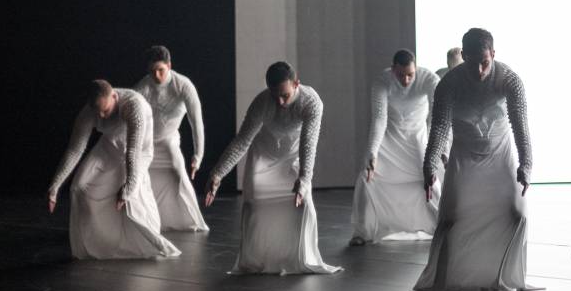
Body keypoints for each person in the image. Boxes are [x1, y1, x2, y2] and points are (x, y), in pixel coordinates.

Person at [413, 28, 533, 291]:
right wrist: (429, 165)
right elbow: (440, 127)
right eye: (472, 62)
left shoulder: (510, 80)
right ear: (464, 56)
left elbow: (520, 125)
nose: (479, 70)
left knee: (516, 214)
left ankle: (503, 274)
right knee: (452, 218)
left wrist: (526, 164)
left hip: (500, 154)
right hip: (464, 155)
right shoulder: (449, 83)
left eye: (484, 62)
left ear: (493, 54)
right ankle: (449, 277)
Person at [204, 62, 341, 275]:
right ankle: (259, 259)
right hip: (264, 155)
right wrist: (217, 174)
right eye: (274, 95)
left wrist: (304, 179)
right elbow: (242, 141)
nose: (280, 102)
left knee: (303, 203)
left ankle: (297, 258)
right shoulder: (262, 102)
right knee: (254, 205)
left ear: (296, 84)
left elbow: (308, 143)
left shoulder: (311, 102)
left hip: (293, 156)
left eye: (285, 95)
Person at [47, 79, 181, 260]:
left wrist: (128, 187)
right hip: (111, 145)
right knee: (78, 186)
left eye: (106, 110)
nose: (101, 116)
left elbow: (133, 152)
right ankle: (98, 239)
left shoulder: (134, 106)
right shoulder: (89, 112)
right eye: (97, 112)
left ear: (115, 97)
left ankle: (144, 241)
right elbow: (75, 150)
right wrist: (55, 186)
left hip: (140, 151)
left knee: (131, 200)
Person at [350, 50, 440, 245]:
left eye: (410, 75)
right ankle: (362, 232)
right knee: (368, 177)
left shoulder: (430, 79)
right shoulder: (382, 81)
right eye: (401, 75)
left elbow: (436, 118)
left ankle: (443, 226)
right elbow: (379, 119)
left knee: (430, 181)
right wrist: (372, 152)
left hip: (417, 139)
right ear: (393, 69)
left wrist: (431, 152)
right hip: (389, 139)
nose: (406, 80)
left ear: (416, 68)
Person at [133, 45, 209, 233]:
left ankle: (188, 219)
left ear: (169, 65)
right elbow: (130, 119)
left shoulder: (183, 85)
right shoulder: (143, 86)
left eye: (160, 70)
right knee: (140, 177)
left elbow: (196, 122)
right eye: (152, 71)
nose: (156, 76)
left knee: (177, 171)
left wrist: (198, 156)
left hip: (168, 140)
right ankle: (148, 219)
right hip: (146, 142)